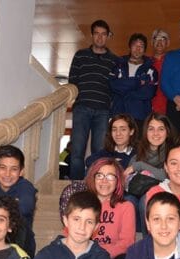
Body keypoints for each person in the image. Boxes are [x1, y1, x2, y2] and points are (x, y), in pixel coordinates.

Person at [68, 19, 117, 179]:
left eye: (103, 34)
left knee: (100, 152)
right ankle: (76, 186)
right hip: (82, 108)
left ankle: (96, 185)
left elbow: (116, 87)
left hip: (103, 111)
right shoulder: (80, 55)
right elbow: (72, 81)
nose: (100, 37)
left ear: (108, 36)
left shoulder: (114, 60)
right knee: (77, 150)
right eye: (97, 33)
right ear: (91, 35)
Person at [32, 191, 113, 259]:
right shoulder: (46, 256)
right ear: (65, 220)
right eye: (76, 219)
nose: (82, 227)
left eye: (89, 222)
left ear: (96, 227)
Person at [86, 158, 136, 259]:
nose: (104, 181)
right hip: (86, 256)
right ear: (93, 178)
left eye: (110, 176)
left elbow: (127, 242)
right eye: (99, 175)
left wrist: (101, 255)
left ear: (117, 181)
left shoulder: (126, 207)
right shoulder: (82, 204)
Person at [110, 33, 158, 132]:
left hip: (140, 116)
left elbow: (149, 92)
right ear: (130, 46)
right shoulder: (118, 65)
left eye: (141, 46)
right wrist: (138, 82)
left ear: (144, 49)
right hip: (119, 114)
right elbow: (113, 85)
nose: (138, 49)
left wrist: (126, 91)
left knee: (138, 142)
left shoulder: (151, 70)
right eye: (135, 45)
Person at [150, 28, 170, 114]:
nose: (159, 42)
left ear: (168, 43)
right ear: (152, 42)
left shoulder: (173, 61)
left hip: (171, 105)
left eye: (163, 39)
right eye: (156, 39)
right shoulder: (146, 63)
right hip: (150, 107)